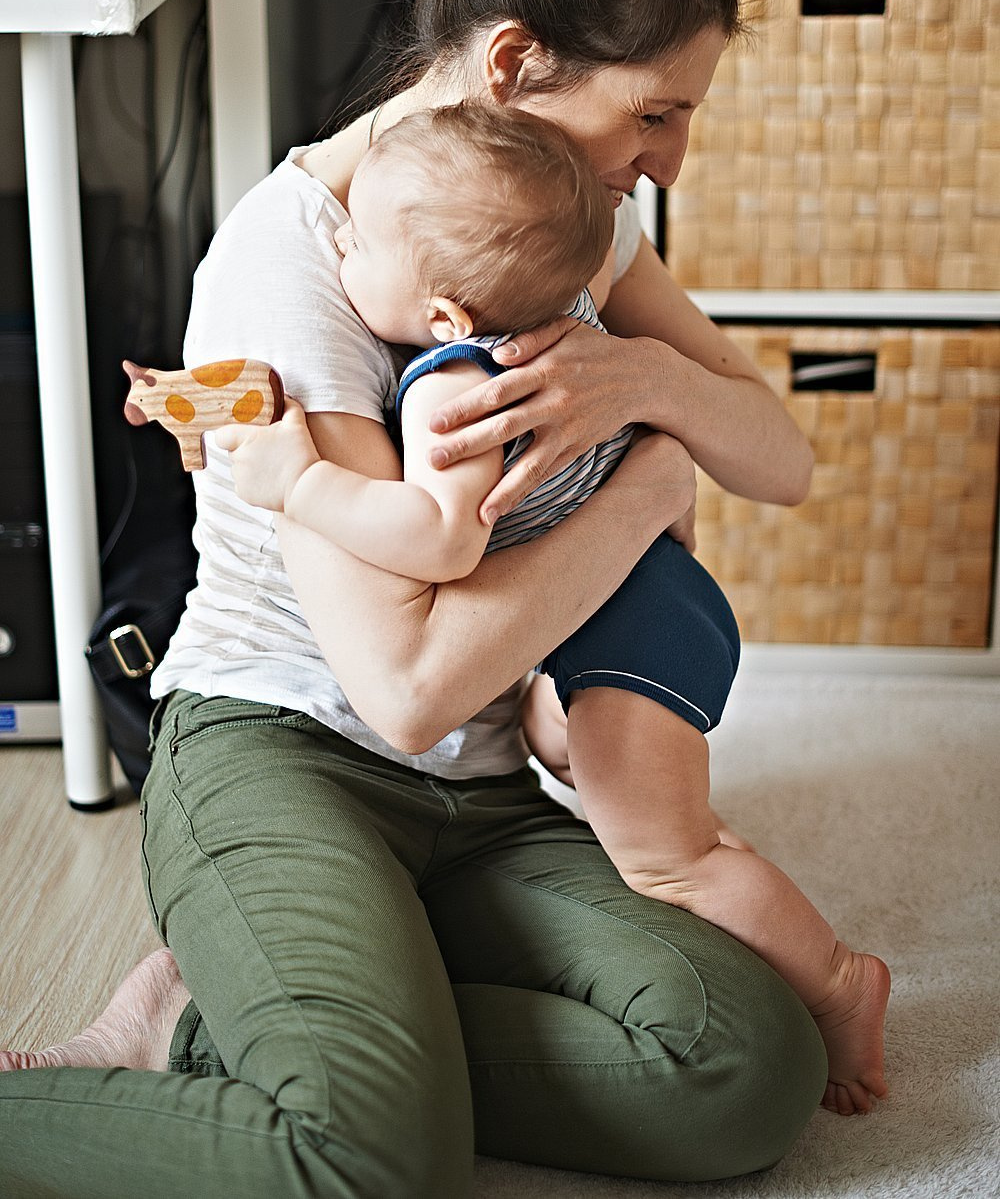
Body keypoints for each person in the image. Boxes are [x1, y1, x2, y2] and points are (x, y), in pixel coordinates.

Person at [0, 0, 840, 1197]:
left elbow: (786, 459)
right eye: (656, 110)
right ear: (515, 62)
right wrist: (646, 492)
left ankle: (241, 1028)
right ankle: (330, 1061)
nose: (670, 159)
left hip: (478, 794)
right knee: (370, 1161)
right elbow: (404, 688)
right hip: (286, 754)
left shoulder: (568, 226)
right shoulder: (293, 268)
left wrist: (646, 384)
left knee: (746, 1066)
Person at [216, 96, 890, 1118]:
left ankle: (842, 984)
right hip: (635, 608)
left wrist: (299, 486)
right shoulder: (569, 304)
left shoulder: (451, 386)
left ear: (444, 314)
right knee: (649, 809)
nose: (338, 250)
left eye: (357, 246)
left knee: (667, 856)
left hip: (626, 623)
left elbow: (445, 537)